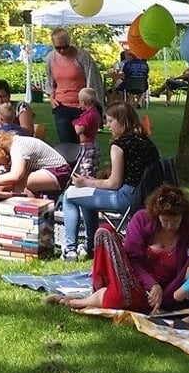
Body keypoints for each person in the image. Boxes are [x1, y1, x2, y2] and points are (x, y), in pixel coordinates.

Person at [52, 185, 189, 314]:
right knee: (105, 231)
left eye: (175, 220)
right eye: (165, 220)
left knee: (120, 298)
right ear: (156, 214)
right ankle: (85, 298)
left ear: (184, 215)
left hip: (172, 293)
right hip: (136, 281)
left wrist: (164, 298)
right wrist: (152, 285)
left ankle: (78, 302)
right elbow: (132, 259)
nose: (170, 226)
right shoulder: (142, 220)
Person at [59, 102, 154, 260]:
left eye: (110, 121)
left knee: (69, 195)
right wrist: (92, 183)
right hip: (145, 196)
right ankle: (92, 246)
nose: (107, 125)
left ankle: (70, 250)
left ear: (121, 121)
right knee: (85, 197)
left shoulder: (119, 145)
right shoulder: (146, 142)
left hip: (126, 198)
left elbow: (114, 184)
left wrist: (86, 182)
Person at [45, 28, 105, 149]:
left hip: (82, 108)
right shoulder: (50, 58)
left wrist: (93, 106)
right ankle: (71, 168)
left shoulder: (82, 56)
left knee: (85, 146)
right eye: (58, 48)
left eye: (65, 46)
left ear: (70, 42)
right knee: (67, 146)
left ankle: (85, 167)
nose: (62, 50)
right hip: (61, 107)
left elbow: (93, 80)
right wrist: (52, 98)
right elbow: (50, 81)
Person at [0, 129, 72, 198]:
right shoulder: (15, 143)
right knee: (5, 186)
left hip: (59, 172)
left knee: (16, 185)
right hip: (47, 171)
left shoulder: (17, 148)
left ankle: (28, 212)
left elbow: (15, 176)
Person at [71, 87, 104, 176]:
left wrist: (75, 123)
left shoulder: (88, 115)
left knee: (86, 169)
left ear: (84, 102)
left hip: (87, 147)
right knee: (93, 166)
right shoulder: (95, 113)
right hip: (93, 143)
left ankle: (88, 185)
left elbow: (79, 131)